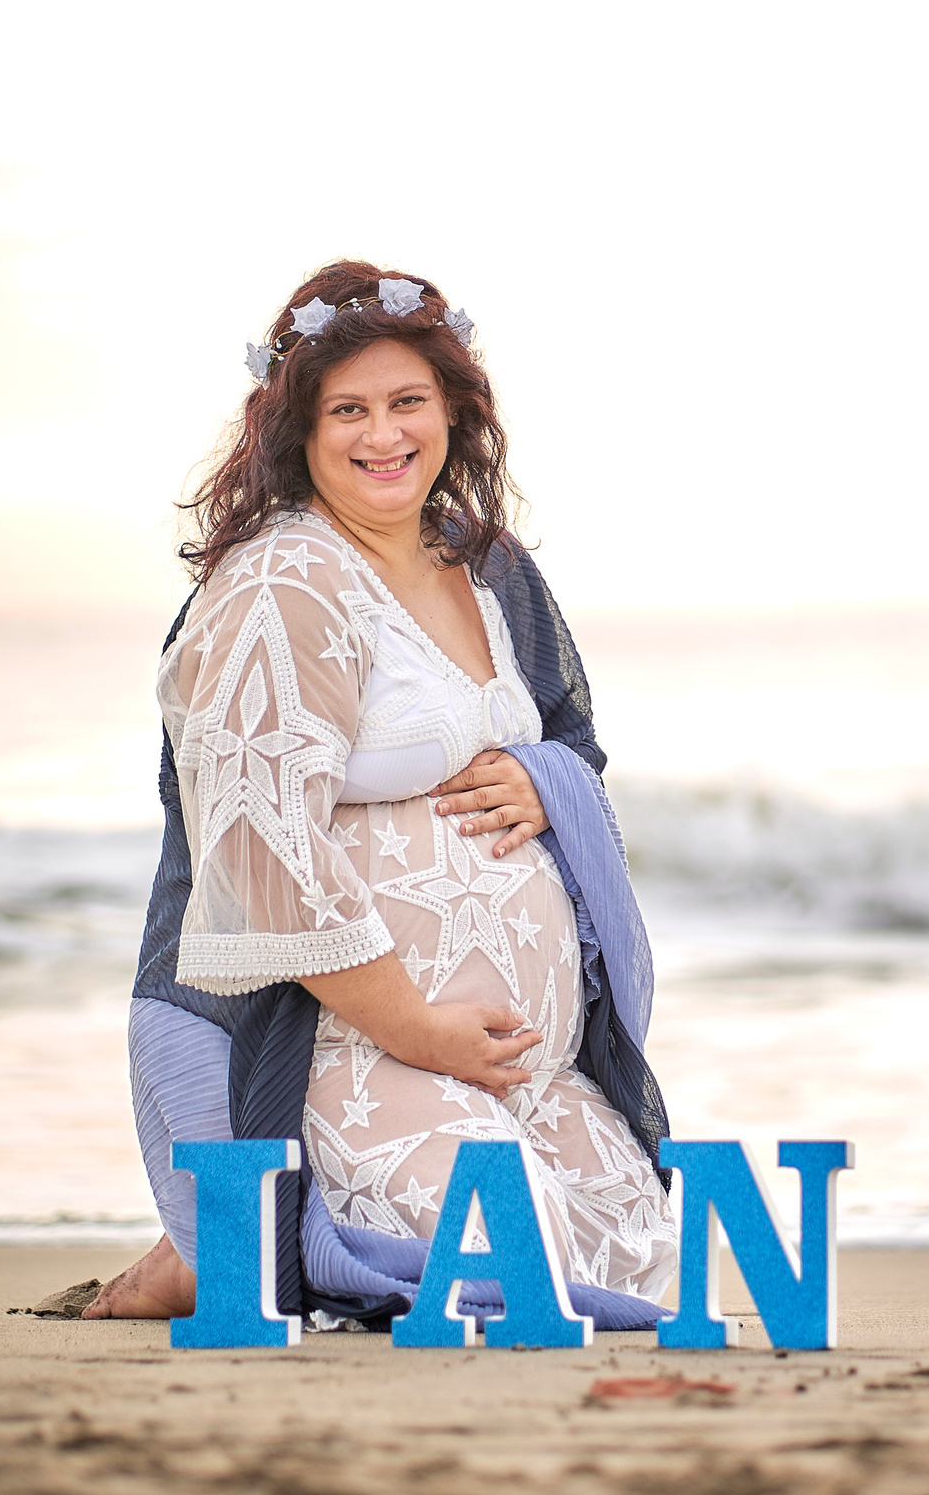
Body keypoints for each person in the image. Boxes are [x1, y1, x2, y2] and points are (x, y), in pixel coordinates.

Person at [88, 261, 674, 1327]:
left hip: (524, 1065)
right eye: (346, 410)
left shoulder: (487, 566)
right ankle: (213, 1243)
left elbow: (573, 742)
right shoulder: (282, 588)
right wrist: (414, 1026)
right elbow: (258, 850)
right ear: (299, 433)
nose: (382, 435)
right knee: (509, 1276)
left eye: (407, 402)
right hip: (348, 1050)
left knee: (640, 1263)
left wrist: (545, 787)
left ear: (452, 409)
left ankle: (208, 1249)